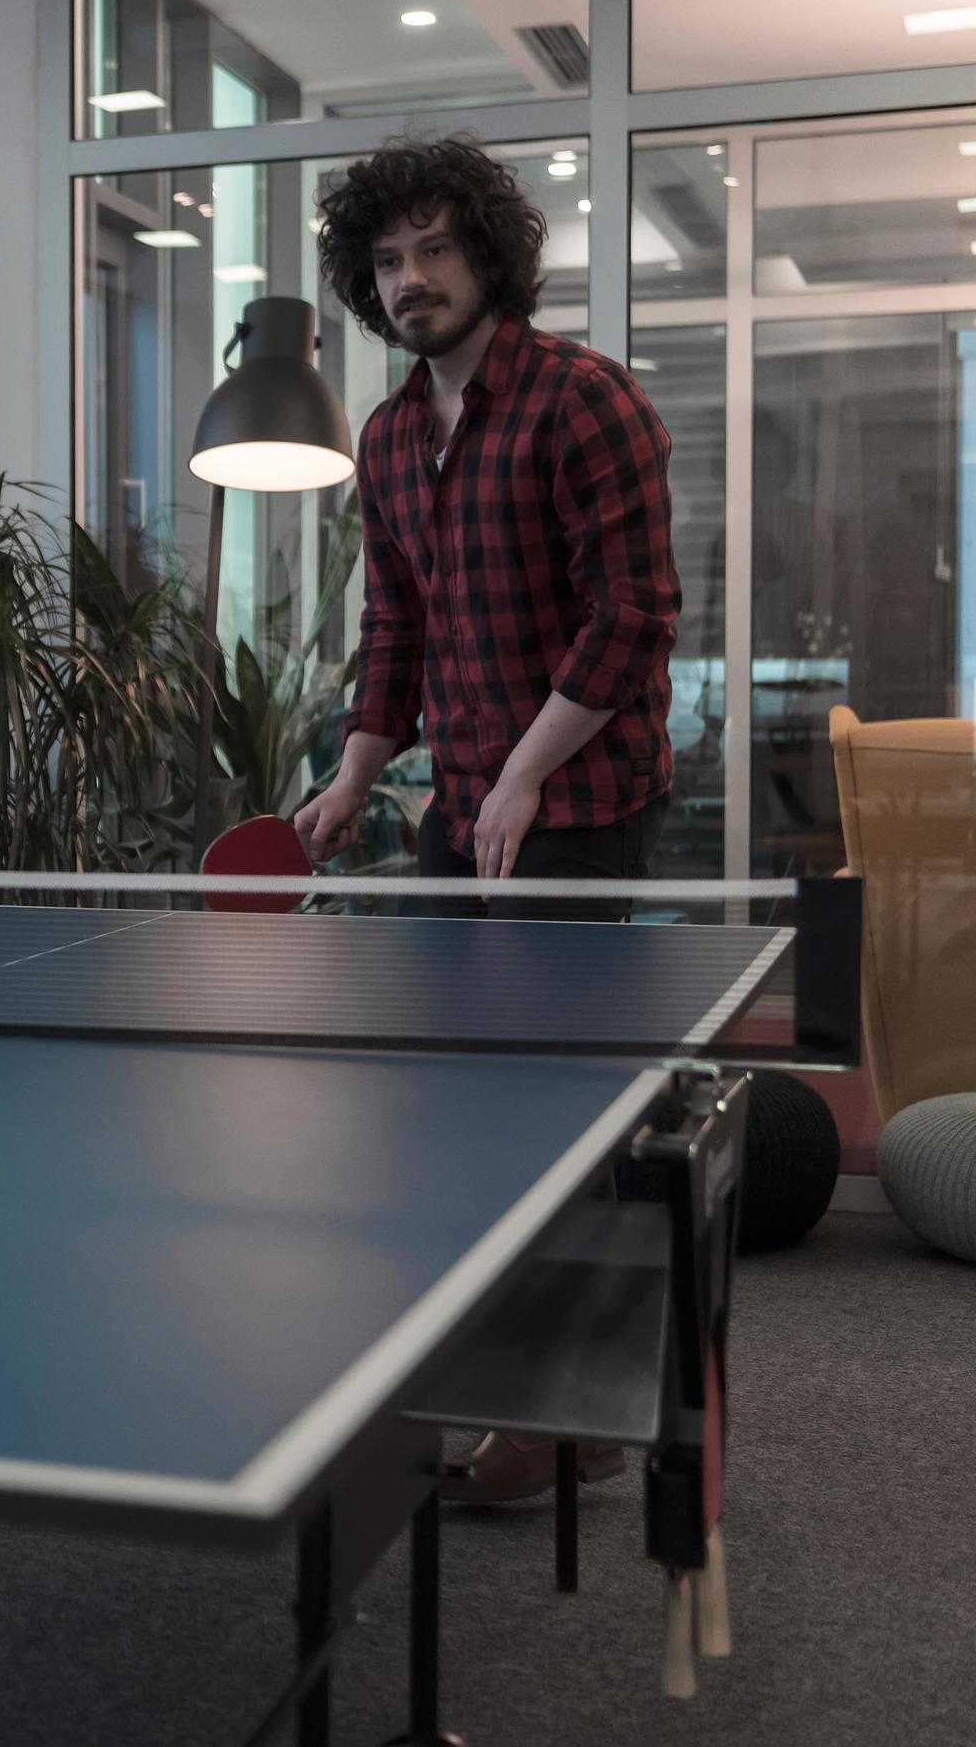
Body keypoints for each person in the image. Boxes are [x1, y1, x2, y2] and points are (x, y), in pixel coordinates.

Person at [290, 136, 681, 1507]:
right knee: (464, 1105)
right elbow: (392, 626)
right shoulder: (390, 436)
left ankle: (580, 1415)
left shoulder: (585, 402)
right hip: (460, 810)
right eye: (388, 260)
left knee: (567, 1114)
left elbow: (635, 616)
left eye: (437, 250)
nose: (413, 280)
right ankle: (502, 1376)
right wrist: (351, 778)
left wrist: (520, 771)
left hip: (575, 806)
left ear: (492, 259)